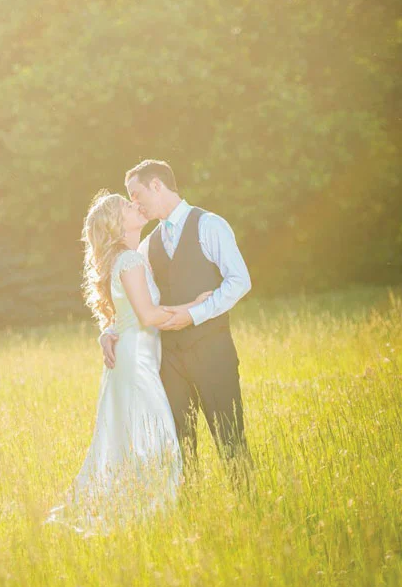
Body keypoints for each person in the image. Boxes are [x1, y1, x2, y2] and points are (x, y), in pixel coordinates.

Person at [47, 189, 209, 530]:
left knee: (132, 435)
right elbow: (148, 316)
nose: (134, 205)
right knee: (155, 435)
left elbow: (122, 315)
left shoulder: (130, 257)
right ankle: (150, 514)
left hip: (135, 357)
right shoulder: (130, 261)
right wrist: (197, 306)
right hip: (136, 362)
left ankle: (140, 510)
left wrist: (105, 332)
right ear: (118, 224)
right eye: (126, 205)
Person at [101, 159, 251, 464]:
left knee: (231, 440)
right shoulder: (145, 246)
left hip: (212, 351)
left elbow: (239, 282)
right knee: (181, 448)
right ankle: (189, 505)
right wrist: (109, 331)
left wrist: (195, 314)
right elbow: (136, 301)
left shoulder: (210, 225)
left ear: (156, 185)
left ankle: (250, 504)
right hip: (169, 361)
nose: (135, 203)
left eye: (136, 194)